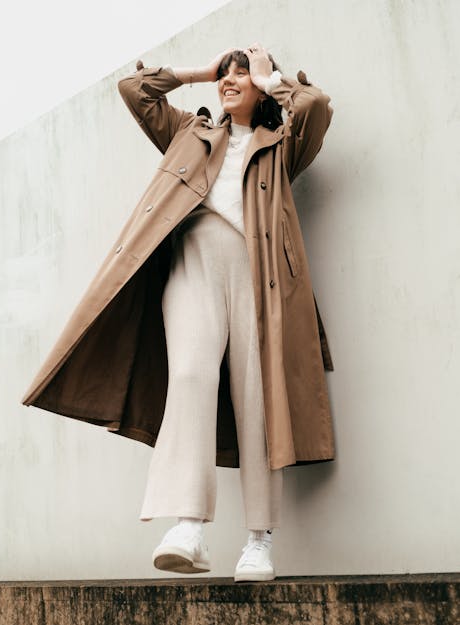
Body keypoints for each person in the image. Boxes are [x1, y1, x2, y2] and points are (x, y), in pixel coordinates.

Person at [122, 43, 325, 582]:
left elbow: (315, 106)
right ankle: (189, 526)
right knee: (189, 376)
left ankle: (259, 541)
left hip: (258, 275)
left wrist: (272, 76)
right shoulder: (191, 132)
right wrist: (199, 72)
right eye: (226, 74)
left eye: (242, 73)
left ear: (260, 84)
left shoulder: (282, 143)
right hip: (194, 264)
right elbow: (135, 91)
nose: (230, 80)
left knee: (257, 399)